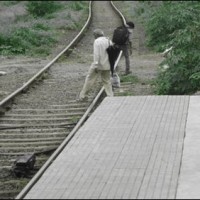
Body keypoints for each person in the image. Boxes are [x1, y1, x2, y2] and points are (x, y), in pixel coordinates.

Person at [77, 29, 113, 101]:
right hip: (107, 64)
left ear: (96, 35)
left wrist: (96, 65)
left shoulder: (97, 41)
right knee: (107, 81)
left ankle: (83, 96)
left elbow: (96, 54)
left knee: (90, 79)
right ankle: (110, 96)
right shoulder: (109, 41)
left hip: (98, 65)